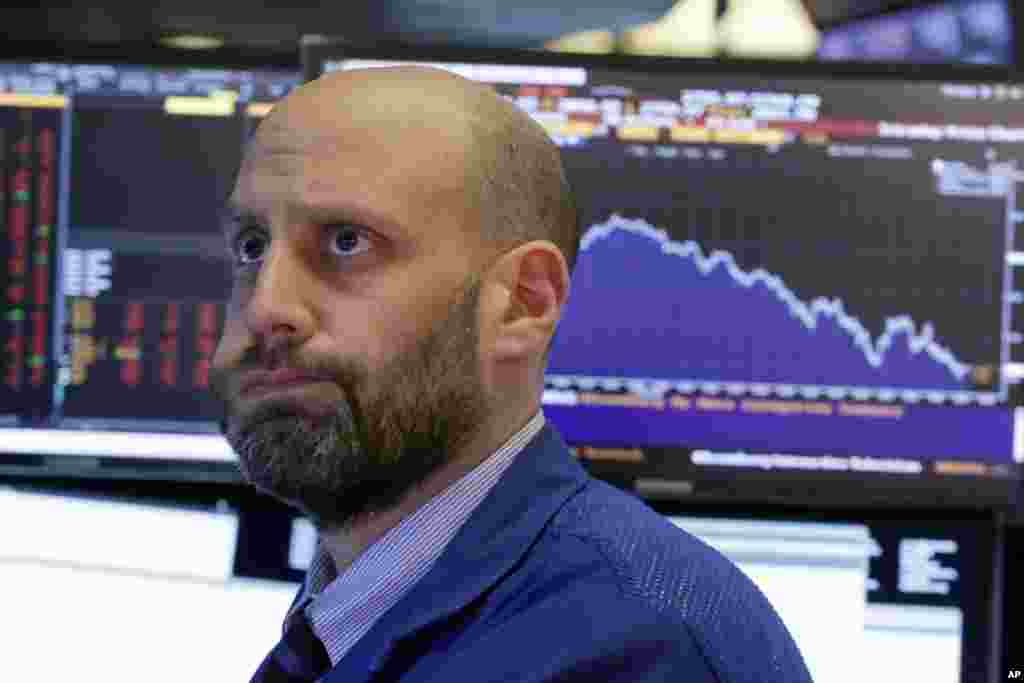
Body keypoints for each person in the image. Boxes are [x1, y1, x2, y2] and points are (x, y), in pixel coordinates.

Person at [209, 65, 813, 683]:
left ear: (524, 303)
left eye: (345, 242)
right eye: (253, 247)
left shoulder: (640, 655)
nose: (266, 308)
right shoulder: (356, 611)